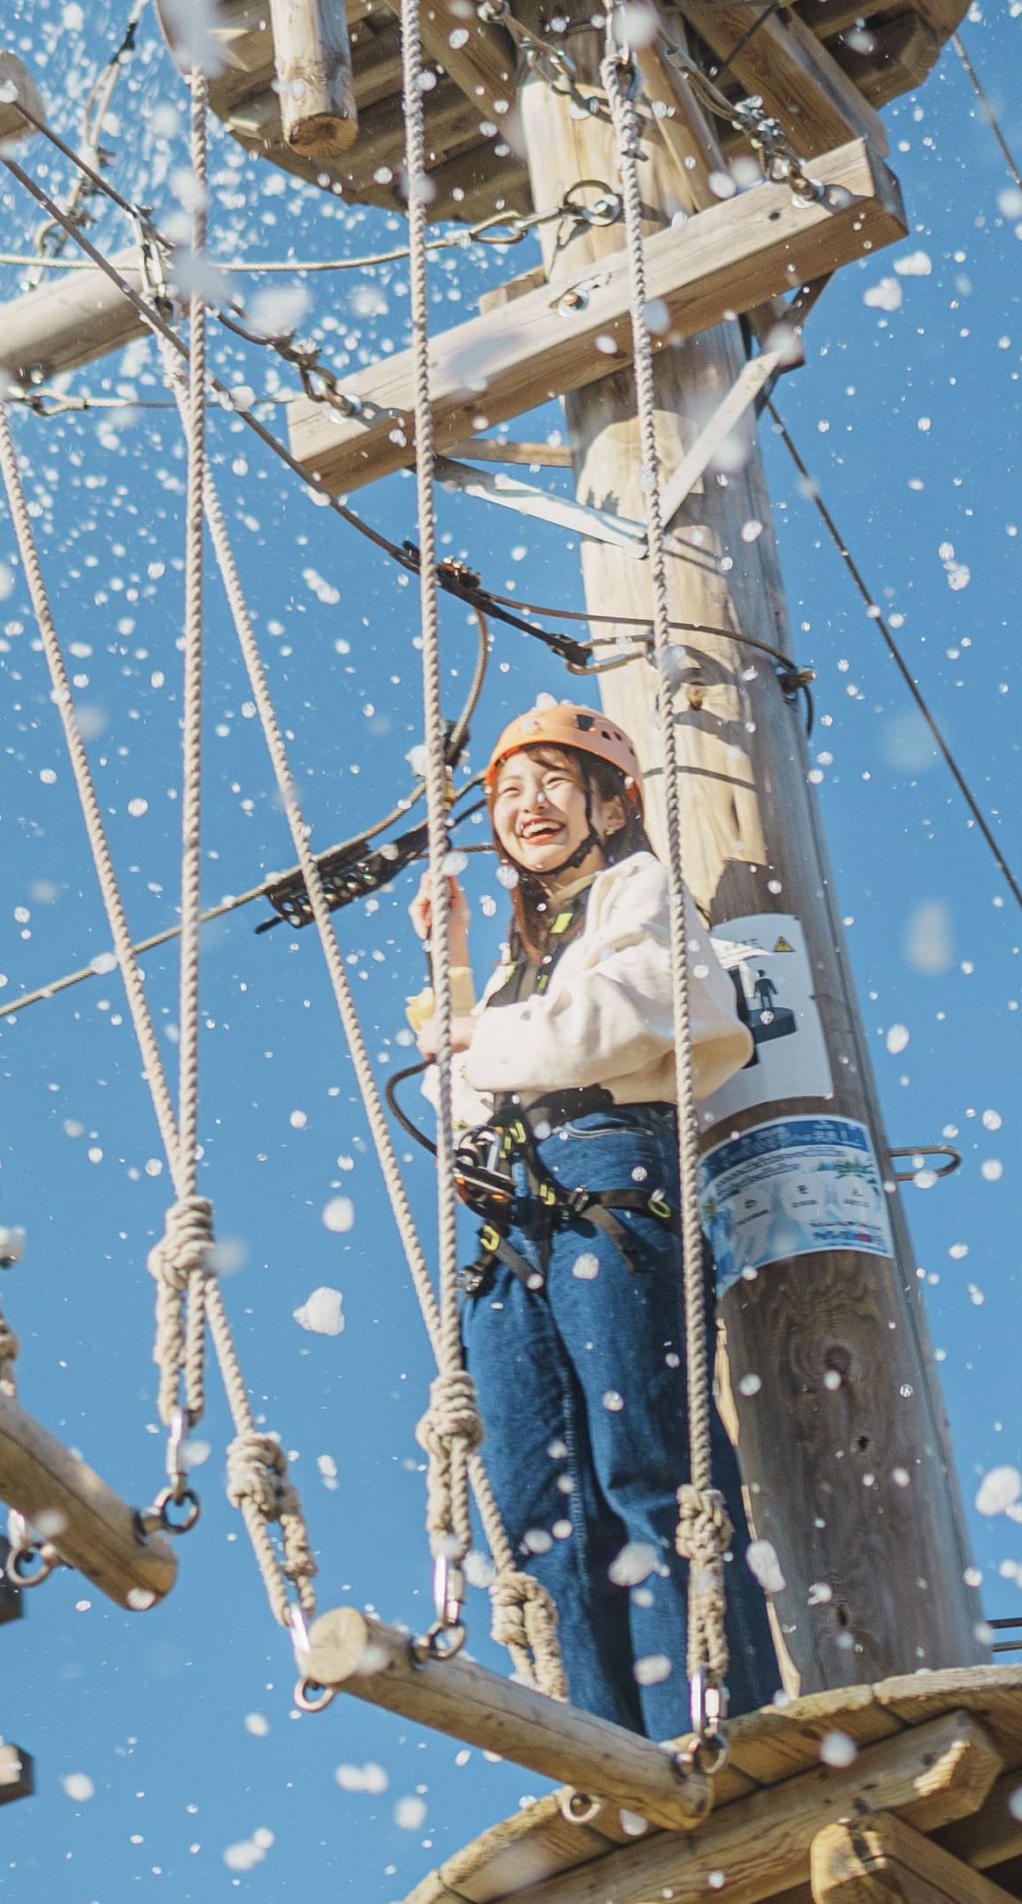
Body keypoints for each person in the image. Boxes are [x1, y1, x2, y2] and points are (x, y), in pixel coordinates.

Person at [409, 700, 782, 1739]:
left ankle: (706, 1722)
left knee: (641, 1464)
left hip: (604, 1174)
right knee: (539, 1510)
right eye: (511, 791)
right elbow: (475, 1078)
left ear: (611, 803)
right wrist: (451, 976)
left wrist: (475, 1030)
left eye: (554, 784)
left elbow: (636, 1010)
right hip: (515, 1211)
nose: (527, 806)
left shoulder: (640, 892)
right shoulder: (517, 955)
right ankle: (605, 1743)